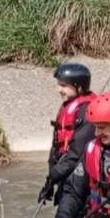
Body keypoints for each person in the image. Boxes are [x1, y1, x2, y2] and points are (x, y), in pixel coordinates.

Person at [38, 62, 96, 205]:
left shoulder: (87, 112)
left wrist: (54, 176)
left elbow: (76, 154)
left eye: (63, 85)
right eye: (59, 84)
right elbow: (56, 148)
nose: (59, 89)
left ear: (79, 87)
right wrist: (49, 183)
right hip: (65, 175)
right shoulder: (67, 107)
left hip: (82, 180)